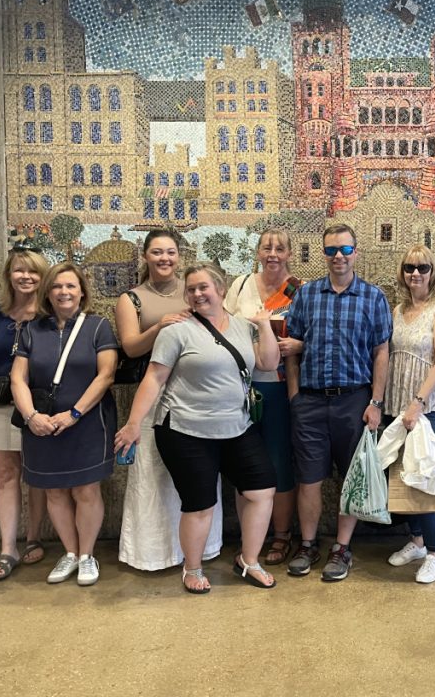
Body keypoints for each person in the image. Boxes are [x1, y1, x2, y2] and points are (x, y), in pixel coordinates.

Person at [114, 263, 279, 594]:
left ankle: (249, 560)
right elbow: (154, 378)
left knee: (262, 490)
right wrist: (133, 424)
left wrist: (264, 326)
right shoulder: (177, 330)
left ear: (221, 290)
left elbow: (268, 363)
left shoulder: (242, 327)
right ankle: (192, 568)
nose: (197, 294)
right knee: (200, 503)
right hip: (185, 431)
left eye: (204, 287)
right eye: (191, 289)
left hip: (237, 426)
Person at [283, 224, 392, 582]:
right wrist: (295, 398)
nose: (339, 257)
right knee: (309, 480)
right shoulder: (307, 295)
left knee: (352, 478)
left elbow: (381, 352)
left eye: (345, 250)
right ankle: (309, 544)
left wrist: (376, 401)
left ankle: (342, 548)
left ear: (356, 252)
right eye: (331, 250)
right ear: (324, 254)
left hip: (355, 401)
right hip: (311, 402)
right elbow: (292, 349)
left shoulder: (373, 297)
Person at [115, 229, 223, 572]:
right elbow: (131, 347)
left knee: (198, 471)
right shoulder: (131, 298)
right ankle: (154, 552)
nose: (164, 259)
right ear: (145, 256)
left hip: (197, 391)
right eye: (157, 252)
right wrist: (160, 325)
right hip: (153, 391)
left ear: (180, 256)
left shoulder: (194, 292)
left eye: (171, 252)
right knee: (152, 472)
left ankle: (199, 548)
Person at [11, 262, 118, 586]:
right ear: (48, 292)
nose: (64, 292)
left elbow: (106, 375)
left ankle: (87, 556)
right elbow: (17, 378)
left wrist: (74, 414)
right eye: (57, 287)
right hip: (41, 424)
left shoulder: (98, 327)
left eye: (70, 286)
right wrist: (32, 417)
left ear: (82, 291)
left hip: (87, 423)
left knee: (86, 489)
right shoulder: (30, 330)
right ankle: (69, 553)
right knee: (54, 490)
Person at [224, 228, 303, 566]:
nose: (273, 253)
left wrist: (299, 346)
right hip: (241, 386)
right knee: (245, 461)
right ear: (257, 252)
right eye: (267, 247)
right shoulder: (240, 285)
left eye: (280, 248)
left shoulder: (300, 292)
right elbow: (221, 324)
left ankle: (282, 535)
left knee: (278, 462)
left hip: (280, 386)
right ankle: (250, 537)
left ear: (289, 254)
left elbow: (312, 334)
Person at [383, 246, 435, 584]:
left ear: (433, 272)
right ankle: (415, 541)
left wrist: (417, 402)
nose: (416, 273)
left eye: (423, 267)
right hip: (396, 403)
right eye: (410, 267)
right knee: (402, 476)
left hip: (427, 405)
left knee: (423, 476)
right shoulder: (397, 310)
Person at [0, 245, 50, 581]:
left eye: (33, 271)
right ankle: (8, 548)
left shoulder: (50, 316)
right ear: (9, 275)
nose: (26, 277)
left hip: (37, 404)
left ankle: (34, 537)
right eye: (19, 270)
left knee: (35, 473)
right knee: (6, 474)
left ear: (43, 276)